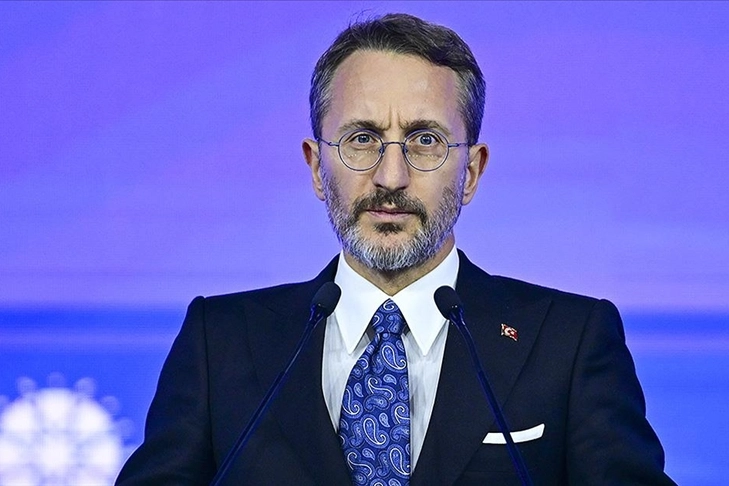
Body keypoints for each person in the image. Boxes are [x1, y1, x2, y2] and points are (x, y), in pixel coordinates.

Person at [116, 13, 675, 485]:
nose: (391, 176)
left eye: (424, 140)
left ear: (472, 171)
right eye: (361, 139)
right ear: (316, 167)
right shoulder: (220, 342)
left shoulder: (569, 342)